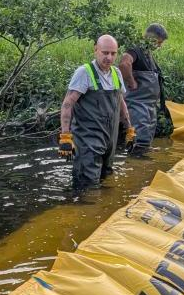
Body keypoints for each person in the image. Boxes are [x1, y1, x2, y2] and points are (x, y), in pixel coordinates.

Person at [58, 35, 134, 190]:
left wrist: (129, 129)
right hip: (88, 140)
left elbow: (121, 103)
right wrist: (65, 136)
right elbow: (67, 104)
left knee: (106, 180)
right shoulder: (84, 72)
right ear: (95, 50)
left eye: (113, 53)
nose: (109, 57)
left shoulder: (116, 73)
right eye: (105, 53)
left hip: (109, 140)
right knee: (87, 186)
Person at [119, 23, 168, 155]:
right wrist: (131, 81)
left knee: (147, 135)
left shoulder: (147, 52)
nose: (159, 46)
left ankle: (141, 159)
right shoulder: (136, 49)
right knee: (139, 136)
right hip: (137, 104)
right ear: (151, 38)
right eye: (158, 42)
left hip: (149, 106)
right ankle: (136, 163)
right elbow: (124, 63)